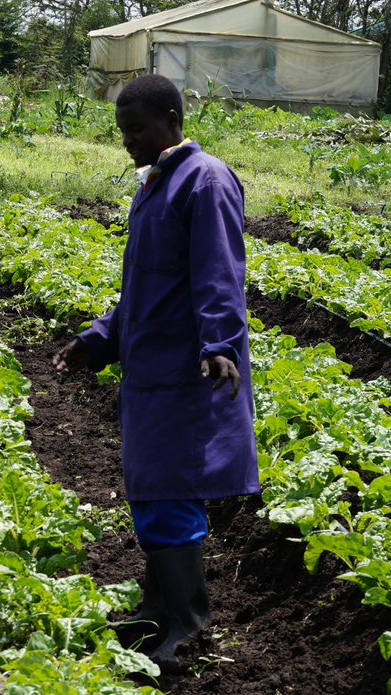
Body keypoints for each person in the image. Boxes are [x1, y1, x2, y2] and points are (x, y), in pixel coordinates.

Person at [52, 74, 259, 671]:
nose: (128, 143)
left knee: (172, 495)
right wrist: (98, 340)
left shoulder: (205, 180)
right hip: (149, 368)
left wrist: (220, 341)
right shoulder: (157, 186)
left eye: (137, 130)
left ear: (172, 119)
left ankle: (190, 623)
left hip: (186, 368)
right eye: (122, 133)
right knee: (151, 493)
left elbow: (220, 271)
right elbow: (144, 286)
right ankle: (156, 608)